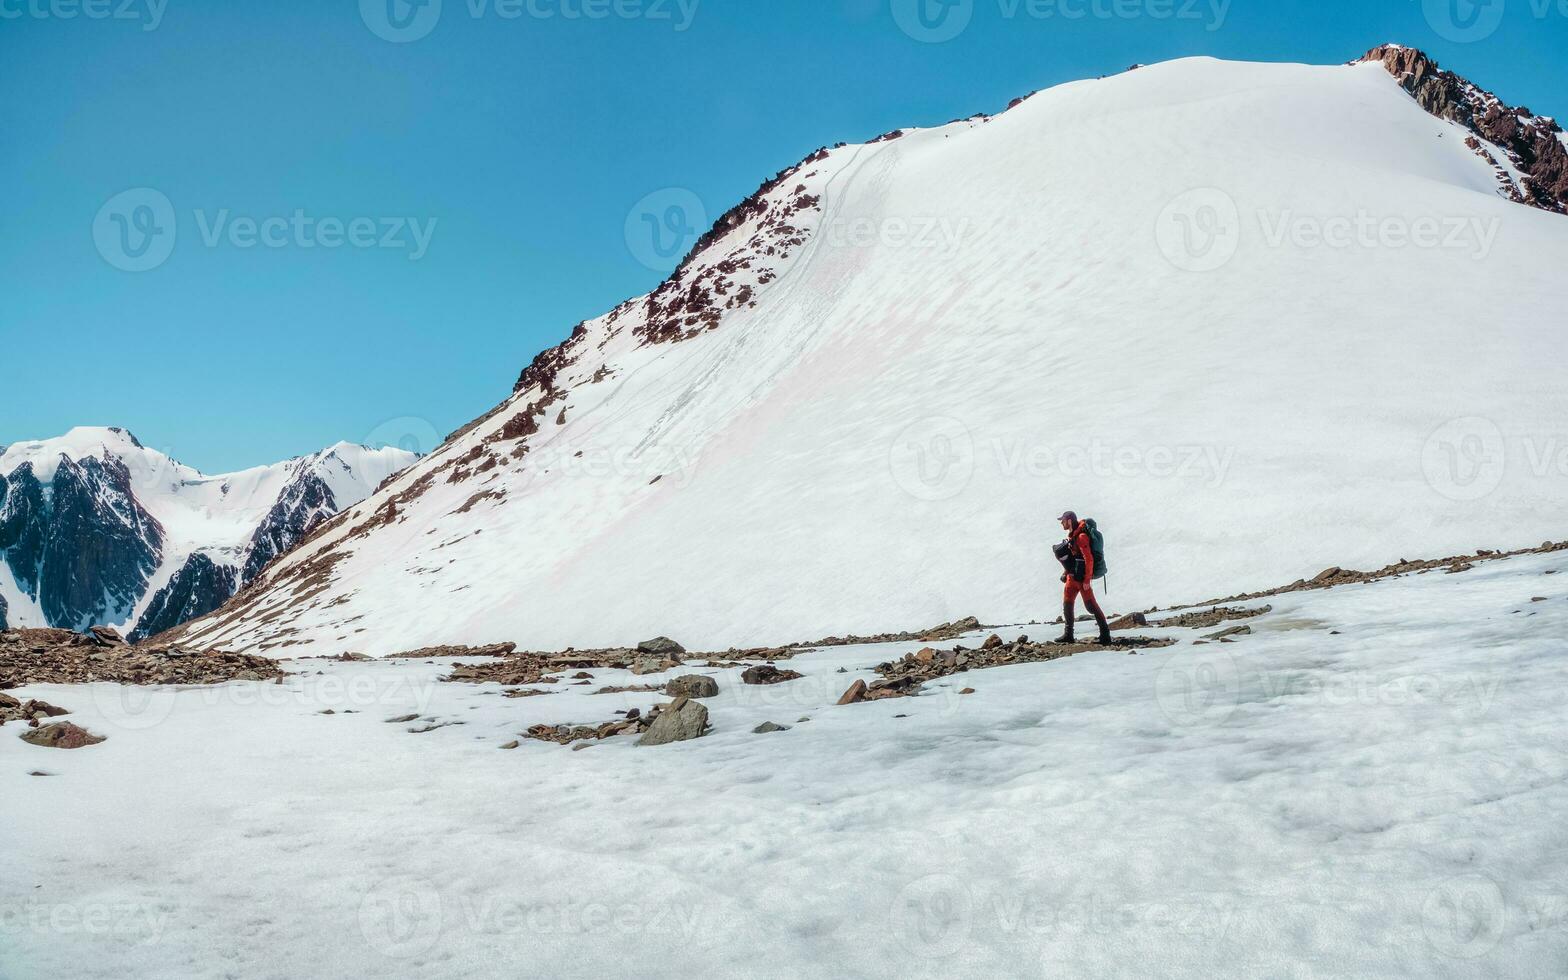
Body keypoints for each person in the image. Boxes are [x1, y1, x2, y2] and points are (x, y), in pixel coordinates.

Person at [1055, 511, 1112, 645]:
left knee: (1091, 606)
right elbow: (1072, 558)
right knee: (1067, 605)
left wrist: (1087, 580)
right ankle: (1068, 635)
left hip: (1081, 580)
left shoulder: (1081, 537)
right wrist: (1065, 572)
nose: (1061, 523)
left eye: (1062, 521)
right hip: (1071, 578)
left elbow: (1089, 560)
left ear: (1069, 521)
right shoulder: (1072, 536)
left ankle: (1105, 635)